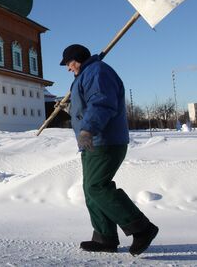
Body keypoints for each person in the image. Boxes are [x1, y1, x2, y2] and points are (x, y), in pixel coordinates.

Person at [60, 44, 159, 256]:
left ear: (77, 59)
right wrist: (70, 109)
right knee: (90, 189)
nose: (68, 68)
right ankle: (104, 237)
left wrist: (88, 129)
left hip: (104, 140)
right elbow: (87, 106)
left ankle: (141, 228)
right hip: (92, 142)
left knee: (97, 186)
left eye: (69, 63)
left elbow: (102, 103)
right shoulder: (86, 74)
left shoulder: (97, 72)